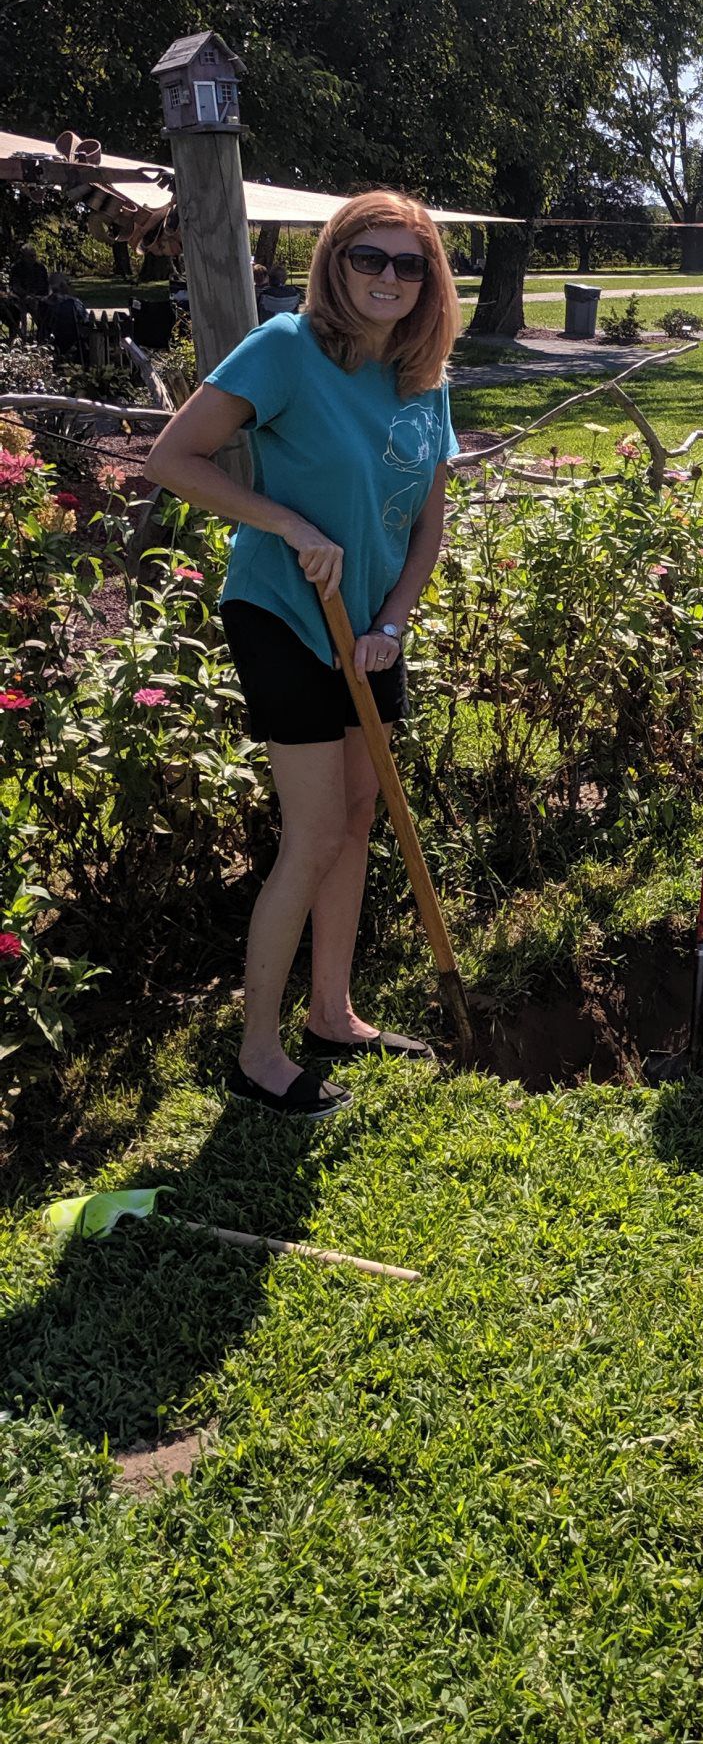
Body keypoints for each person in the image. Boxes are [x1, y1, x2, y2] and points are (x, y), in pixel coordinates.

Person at [146, 190, 461, 1117]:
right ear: (336, 261)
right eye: (371, 258)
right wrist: (285, 522)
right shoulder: (287, 349)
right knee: (316, 831)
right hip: (286, 610)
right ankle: (256, 1053)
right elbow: (173, 458)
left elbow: (427, 531)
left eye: (410, 264)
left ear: (429, 280)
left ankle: (333, 1013)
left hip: (367, 625)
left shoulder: (424, 376)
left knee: (360, 816)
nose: (389, 279)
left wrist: (392, 625)